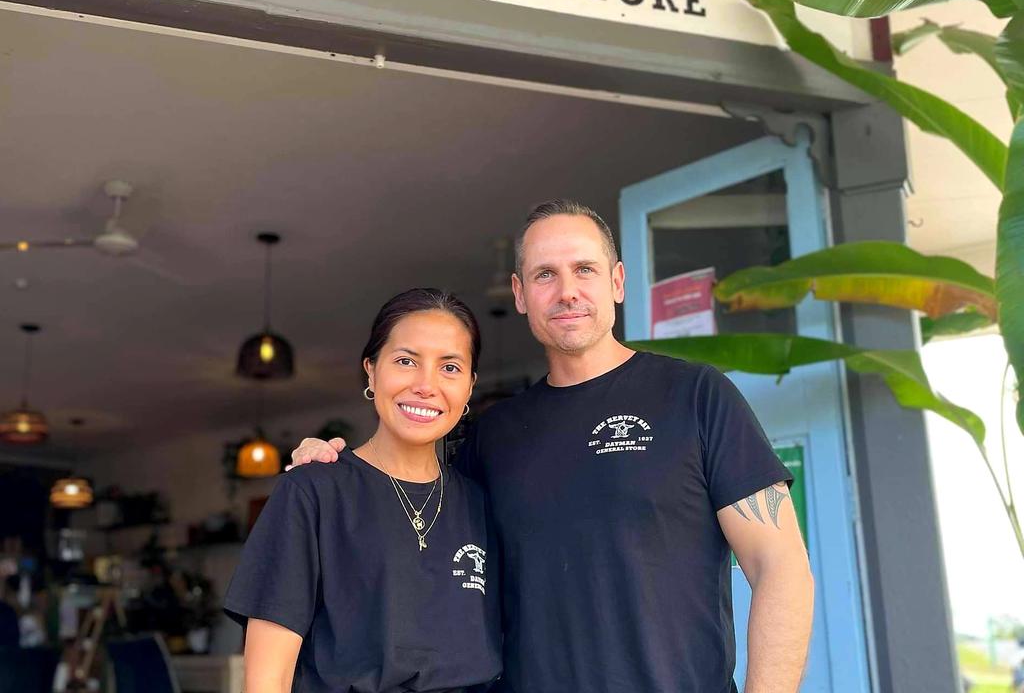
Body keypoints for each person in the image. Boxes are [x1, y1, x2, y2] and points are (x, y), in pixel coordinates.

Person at [291, 200, 815, 693]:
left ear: (617, 282)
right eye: (545, 274)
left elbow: (780, 567)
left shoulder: (696, 396)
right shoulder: (491, 436)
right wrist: (334, 468)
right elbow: (409, 527)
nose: (567, 291)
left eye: (584, 269)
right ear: (519, 294)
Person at [225, 289, 501, 693]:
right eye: (406, 361)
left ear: (470, 386)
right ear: (371, 371)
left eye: (450, 367)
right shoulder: (313, 491)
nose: (426, 385)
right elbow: (268, 678)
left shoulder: (480, 503)